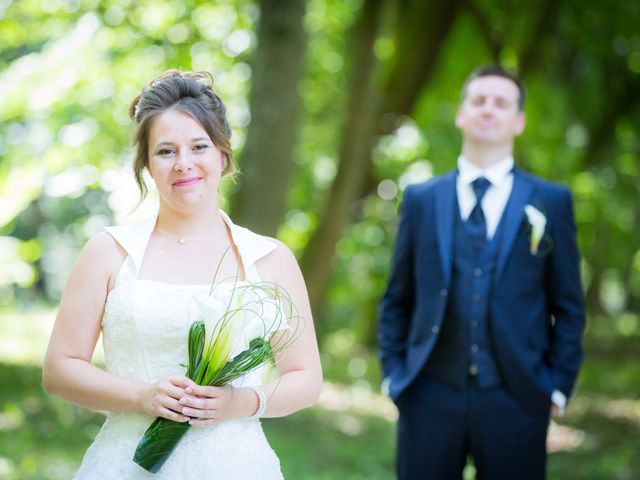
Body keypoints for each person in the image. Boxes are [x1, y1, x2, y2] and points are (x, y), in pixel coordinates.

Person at [43, 70, 322, 479]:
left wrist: (238, 401)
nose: (184, 164)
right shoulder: (108, 253)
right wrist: (142, 396)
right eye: (166, 151)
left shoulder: (270, 259)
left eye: (199, 146)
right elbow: (60, 370)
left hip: (236, 465)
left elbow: (307, 379)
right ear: (147, 165)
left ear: (223, 154)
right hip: (125, 464)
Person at [378, 65, 585, 479]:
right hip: (428, 393)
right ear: (461, 114)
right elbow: (397, 297)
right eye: (479, 100)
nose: (488, 109)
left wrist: (556, 388)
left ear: (519, 121)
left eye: (501, 103)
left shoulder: (551, 201)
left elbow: (568, 305)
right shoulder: (422, 198)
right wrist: (394, 377)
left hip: (519, 396)